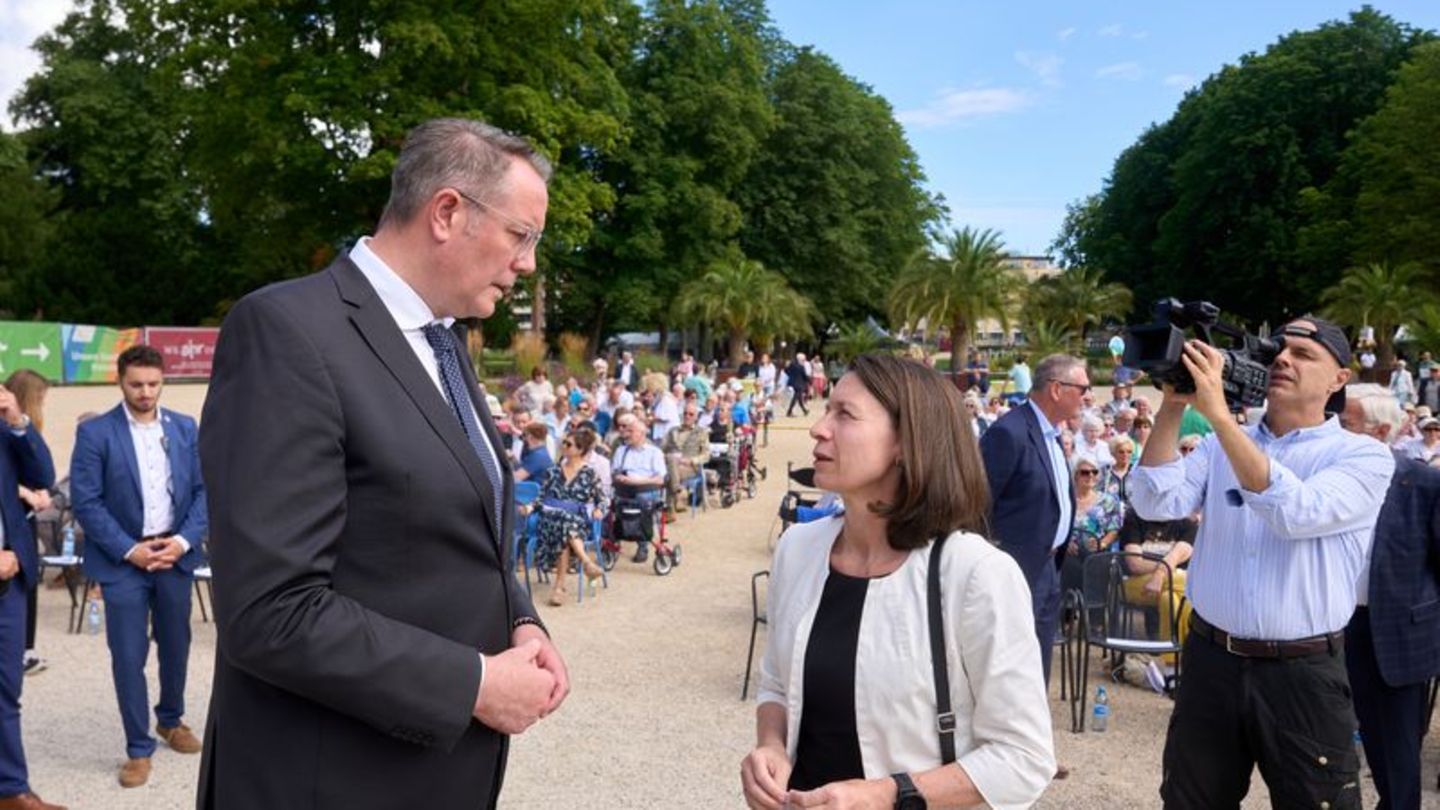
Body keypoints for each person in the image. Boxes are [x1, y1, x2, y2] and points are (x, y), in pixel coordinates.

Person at [197, 119, 566, 809]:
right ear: (447, 212)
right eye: (522, 236)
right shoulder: (287, 332)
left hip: (428, 772)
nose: (528, 264)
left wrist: (521, 619)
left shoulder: (446, 342)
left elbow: (456, 523)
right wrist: (476, 684)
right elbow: (269, 611)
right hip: (329, 779)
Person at [741, 354, 1053, 810]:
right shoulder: (799, 549)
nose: (818, 428)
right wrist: (770, 745)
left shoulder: (974, 575)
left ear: (907, 442)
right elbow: (776, 685)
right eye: (826, 409)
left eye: (844, 414)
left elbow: (1024, 758)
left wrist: (887, 794)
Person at [1130, 317, 1394, 809]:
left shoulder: (1364, 457)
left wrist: (1223, 419)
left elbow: (1295, 512)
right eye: (1278, 351)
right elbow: (1152, 500)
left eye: (1304, 354)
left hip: (1303, 674)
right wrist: (1173, 403)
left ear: (1340, 378)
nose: (1283, 360)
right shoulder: (1216, 446)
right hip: (1212, 661)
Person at [70, 345, 208, 789]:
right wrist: (130, 550)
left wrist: (183, 541)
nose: (146, 392)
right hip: (123, 561)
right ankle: (137, 747)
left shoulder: (186, 428)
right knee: (128, 656)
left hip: (174, 555)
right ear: (120, 381)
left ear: (163, 380)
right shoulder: (96, 433)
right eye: (136, 385)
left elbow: (206, 491)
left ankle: (171, 719)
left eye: (153, 384)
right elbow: (86, 502)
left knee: (176, 645)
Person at [1339, 383, 1440, 809]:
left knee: (1395, 759)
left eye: (1347, 424)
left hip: (1395, 638)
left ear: (1380, 432)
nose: (1336, 431)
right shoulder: (1329, 478)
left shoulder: (1422, 484)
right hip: (1328, 628)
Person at [979, 353, 1088, 687]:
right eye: (1082, 388)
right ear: (1056, 389)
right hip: (1015, 569)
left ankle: (1031, 729)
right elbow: (978, 503)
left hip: (1049, 566)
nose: (1087, 396)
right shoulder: (1009, 433)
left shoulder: (1052, 434)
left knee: (1037, 662)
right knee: (1010, 665)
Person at [0, 379, 62, 810]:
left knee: (6, 688)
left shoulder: (7, 429)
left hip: (8, 581)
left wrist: (18, 421)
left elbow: (42, 477)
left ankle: (11, 789)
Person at [3, 371, 50, 678]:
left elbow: (42, 474)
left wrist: (39, 492)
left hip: (21, 525)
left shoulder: (21, 426)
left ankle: (23, 648)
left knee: (27, 582)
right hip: (14, 518)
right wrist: (28, 495)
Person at [531, 428, 607, 607]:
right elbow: (540, 497)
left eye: (568, 444)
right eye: (563, 443)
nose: (563, 446)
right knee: (563, 522)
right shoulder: (554, 471)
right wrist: (530, 506)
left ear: (580, 449)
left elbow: (602, 499)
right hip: (550, 518)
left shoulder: (590, 473)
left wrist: (599, 509)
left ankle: (560, 587)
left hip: (574, 521)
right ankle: (587, 563)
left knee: (564, 527)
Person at [1060, 456, 1122, 597]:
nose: (1090, 476)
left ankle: (1095, 612)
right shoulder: (1066, 500)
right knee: (1068, 563)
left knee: (1097, 564)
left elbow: (1114, 529)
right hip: (1070, 551)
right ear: (1075, 475)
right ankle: (1070, 610)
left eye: (1094, 472)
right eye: (1085, 472)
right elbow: (1057, 524)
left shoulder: (1107, 500)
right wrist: (1066, 542)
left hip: (1097, 550)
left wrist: (1103, 542)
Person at [611, 412, 667, 563]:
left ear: (642, 434)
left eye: (631, 431)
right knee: (610, 502)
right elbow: (615, 472)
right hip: (624, 489)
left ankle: (643, 544)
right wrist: (620, 478)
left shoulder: (654, 453)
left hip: (647, 490)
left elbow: (660, 479)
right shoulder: (621, 451)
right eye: (626, 431)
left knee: (641, 502)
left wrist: (637, 482)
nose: (626, 434)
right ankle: (612, 541)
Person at [661, 403, 709, 513]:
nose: (687, 416)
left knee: (669, 473)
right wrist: (665, 457)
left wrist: (692, 460)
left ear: (696, 417)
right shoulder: (673, 430)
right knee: (671, 462)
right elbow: (661, 449)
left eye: (691, 414)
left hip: (690, 467)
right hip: (672, 465)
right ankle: (679, 491)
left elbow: (706, 455)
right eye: (685, 413)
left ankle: (670, 509)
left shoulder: (701, 432)